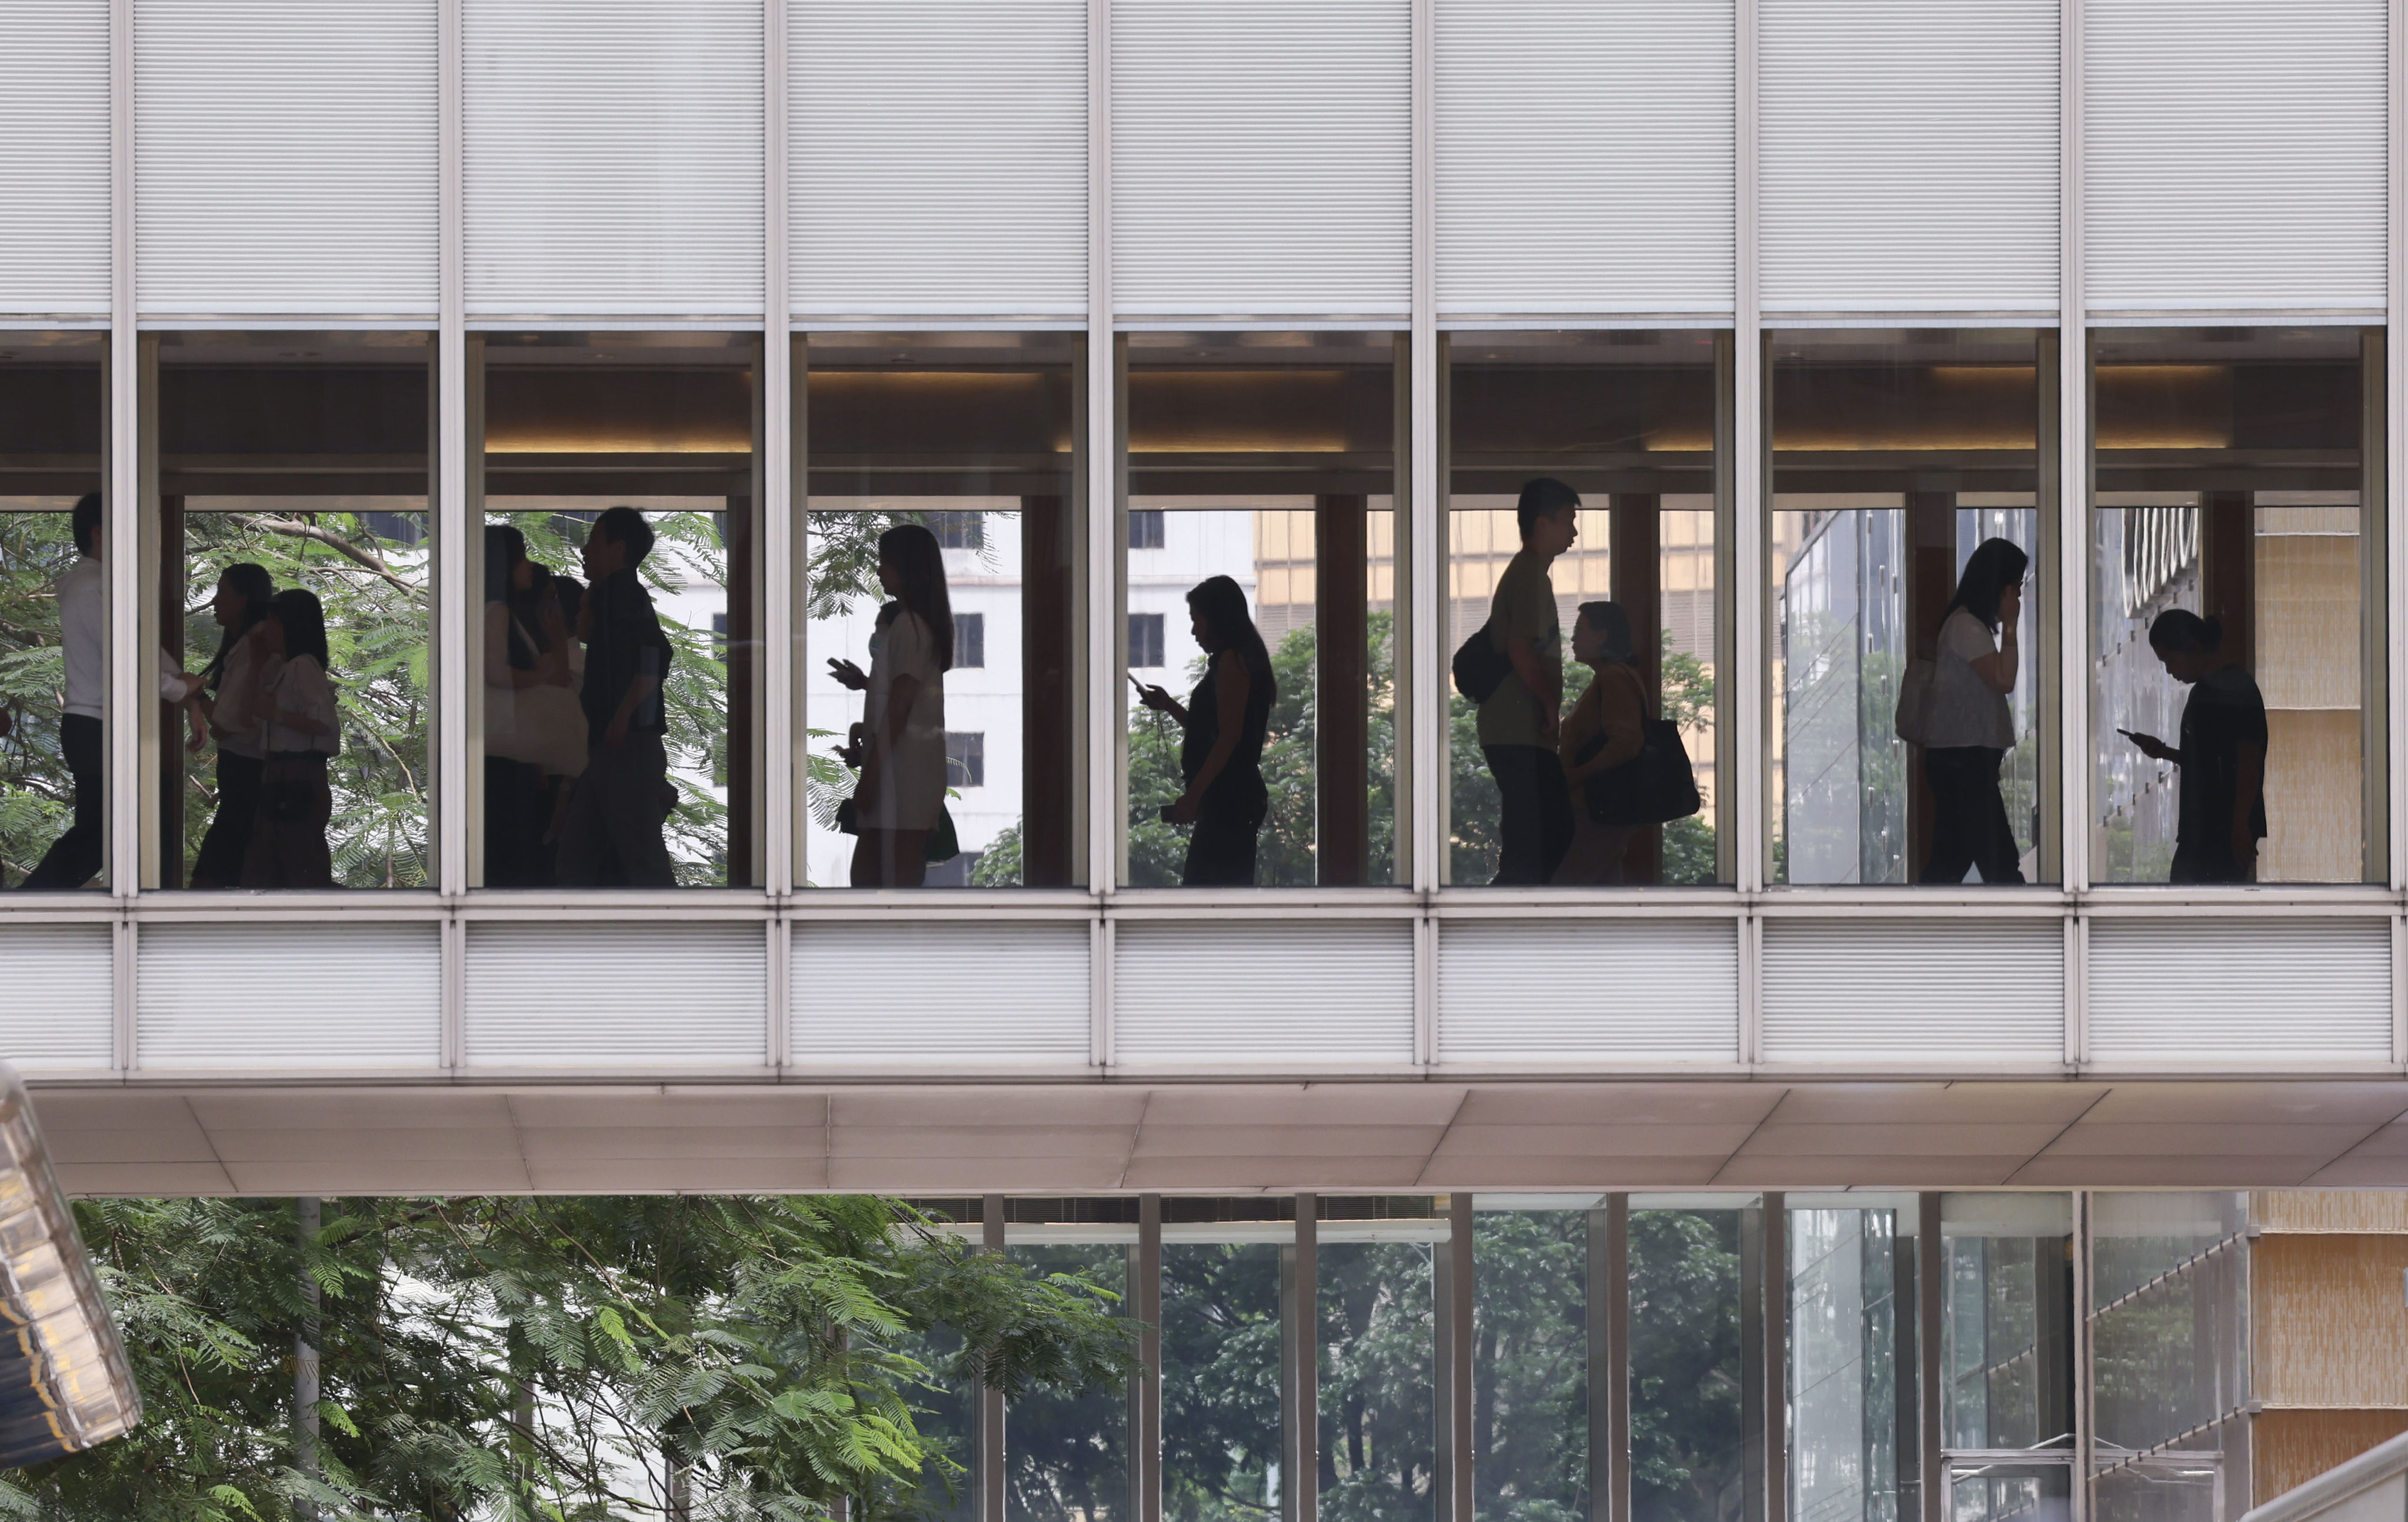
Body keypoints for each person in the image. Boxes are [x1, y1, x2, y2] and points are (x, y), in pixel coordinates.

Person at [19, 493, 206, 890]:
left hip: (97, 726)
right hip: (96, 726)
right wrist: (177, 689)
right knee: (107, 832)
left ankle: (42, 899)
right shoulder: (92, 586)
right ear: (100, 533)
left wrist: (186, 691)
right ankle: (35, 901)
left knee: (117, 826)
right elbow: (127, 658)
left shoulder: (97, 584)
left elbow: (142, 650)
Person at [826, 523, 954, 887]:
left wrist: (870, 776)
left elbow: (901, 708)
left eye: (885, 562)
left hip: (903, 779)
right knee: (881, 881)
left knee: (879, 884)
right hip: (901, 776)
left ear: (907, 567)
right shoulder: (914, 625)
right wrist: (867, 685)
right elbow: (901, 701)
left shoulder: (909, 626)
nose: (880, 571)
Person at [555, 507, 676, 887]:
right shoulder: (611, 594)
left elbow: (656, 656)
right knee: (577, 856)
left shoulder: (623, 593)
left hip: (625, 746)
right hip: (611, 747)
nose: (585, 550)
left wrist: (623, 718)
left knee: (640, 860)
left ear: (618, 549)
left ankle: (684, 936)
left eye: (594, 541)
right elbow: (598, 639)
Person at [1137, 575, 1276, 887]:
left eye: (1197, 620)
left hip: (1228, 802)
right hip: (1232, 801)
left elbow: (1228, 738)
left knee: (1207, 895)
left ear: (1217, 619)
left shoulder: (1231, 662)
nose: (1194, 631)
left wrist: (1193, 796)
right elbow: (1216, 733)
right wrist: (1170, 707)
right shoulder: (1239, 659)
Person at [1481, 478, 1580, 885]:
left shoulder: (1528, 575)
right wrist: (1549, 703)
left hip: (1517, 729)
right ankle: (1509, 917)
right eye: (1567, 521)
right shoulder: (1528, 578)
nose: (1573, 532)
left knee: (1536, 832)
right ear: (1542, 525)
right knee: (1542, 833)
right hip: (1517, 728)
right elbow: (1521, 648)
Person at [2123, 608, 2267, 884]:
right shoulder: (2205, 692)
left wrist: (2239, 824)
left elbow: (2249, 759)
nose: (2169, 671)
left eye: (2169, 660)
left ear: (2192, 647)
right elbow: (2207, 760)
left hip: (2220, 830)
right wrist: (2164, 752)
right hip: (2203, 828)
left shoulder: (2234, 689)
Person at [1921, 537, 2029, 884]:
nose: (2018, 597)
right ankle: (2026, 929)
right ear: (1999, 585)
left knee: (1953, 858)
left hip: (1965, 761)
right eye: (2016, 587)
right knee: (1997, 861)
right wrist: (2011, 626)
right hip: (1963, 763)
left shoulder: (1965, 625)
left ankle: (1918, 927)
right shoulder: (1966, 626)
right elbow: (2003, 679)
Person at [482, 525, 579, 886]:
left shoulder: (498, 613)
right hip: (504, 751)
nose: (528, 566)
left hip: (509, 750)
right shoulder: (496, 612)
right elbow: (496, 672)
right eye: (521, 558)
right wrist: (538, 676)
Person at [186, 561, 279, 888]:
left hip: (246, 771)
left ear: (244, 599)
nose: (214, 601)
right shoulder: (245, 644)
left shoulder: (254, 645)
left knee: (216, 870)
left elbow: (230, 719)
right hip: (243, 769)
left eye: (222, 592)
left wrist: (194, 696)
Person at [241, 588, 339, 888]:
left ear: (289, 625)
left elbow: (324, 724)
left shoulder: (303, 666)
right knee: (272, 861)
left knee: (299, 862)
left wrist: (278, 715)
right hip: (280, 771)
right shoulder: (281, 667)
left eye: (272, 622)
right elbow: (248, 716)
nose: (265, 630)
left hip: (299, 771)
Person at [1553, 601, 1648, 885]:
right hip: (1600, 810)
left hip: (1596, 810)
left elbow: (1627, 742)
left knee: (1566, 893)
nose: (1572, 638)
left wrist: (1576, 776)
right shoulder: (1612, 678)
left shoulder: (1614, 678)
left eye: (1580, 630)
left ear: (1602, 635)